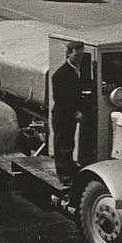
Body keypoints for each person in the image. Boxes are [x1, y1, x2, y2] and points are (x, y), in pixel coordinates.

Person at [50, 42, 89, 182]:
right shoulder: (60, 74)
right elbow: (60, 98)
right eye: (77, 55)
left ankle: (69, 167)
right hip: (62, 115)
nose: (80, 58)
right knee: (62, 144)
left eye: (82, 55)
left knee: (69, 142)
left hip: (70, 115)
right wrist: (75, 112)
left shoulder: (79, 70)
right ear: (69, 54)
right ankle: (63, 174)